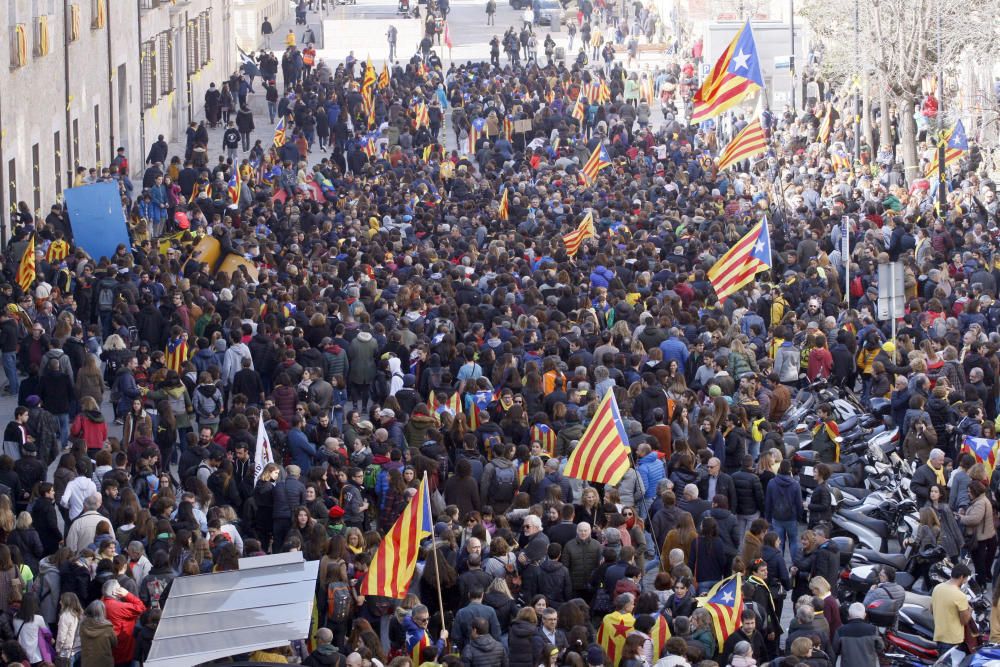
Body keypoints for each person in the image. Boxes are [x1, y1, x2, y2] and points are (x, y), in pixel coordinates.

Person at [931, 562, 973, 655]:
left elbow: (932, 610)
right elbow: (964, 621)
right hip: (953, 640)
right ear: (962, 577)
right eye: (966, 579)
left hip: (939, 636)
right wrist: (969, 610)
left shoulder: (937, 588)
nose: (965, 581)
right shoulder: (960, 595)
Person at [80, 600, 117, 667]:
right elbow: (114, 643)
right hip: (104, 662)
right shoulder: (107, 627)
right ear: (103, 612)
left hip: (87, 662)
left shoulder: (83, 625)